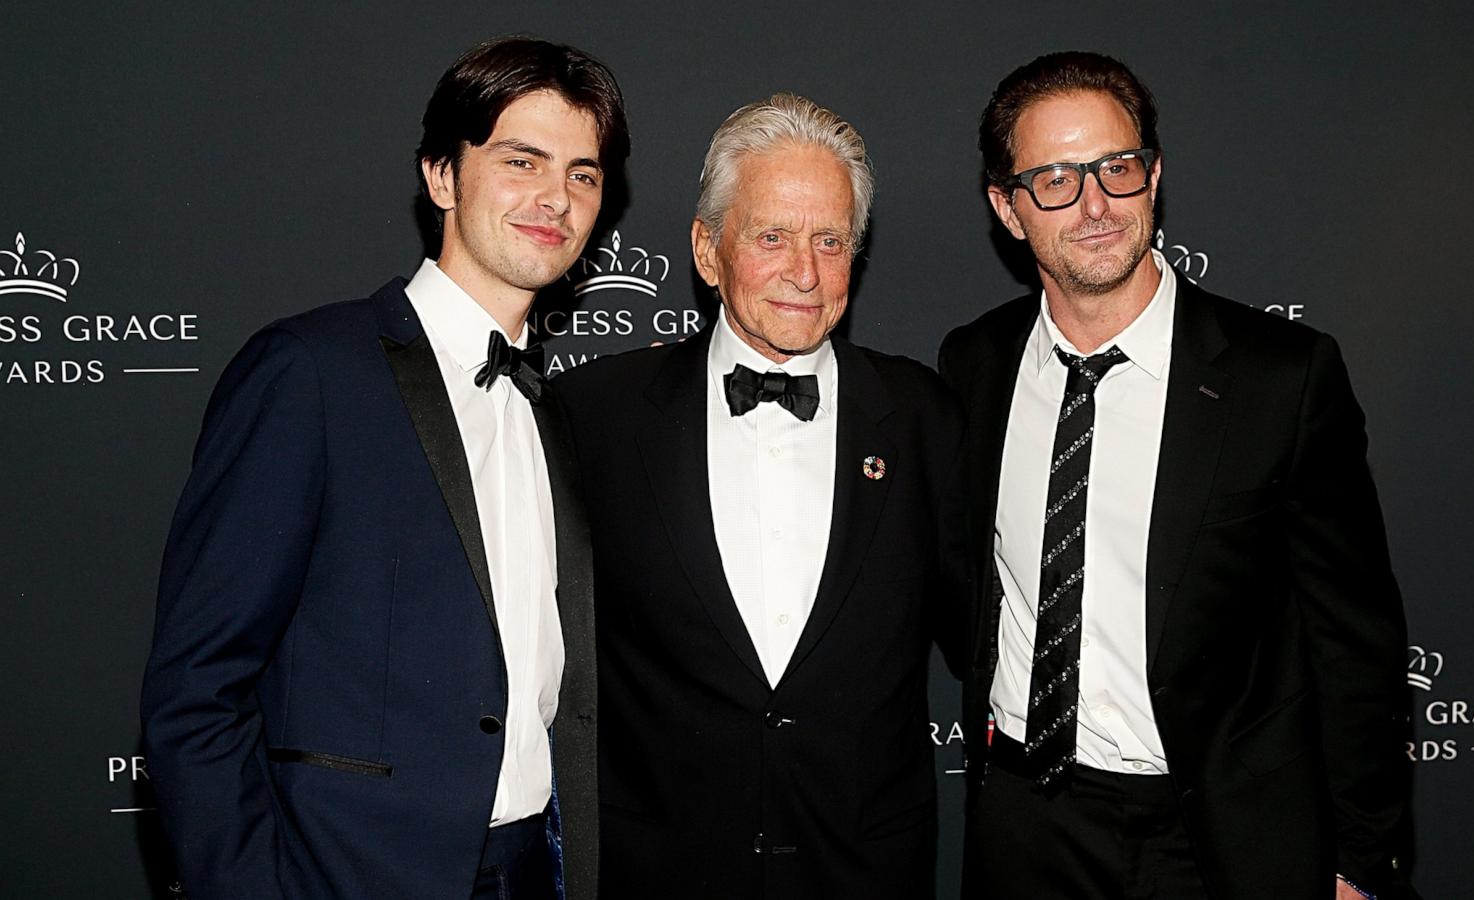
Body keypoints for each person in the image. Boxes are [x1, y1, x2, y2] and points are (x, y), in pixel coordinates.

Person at [140, 36, 628, 900]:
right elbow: (197, 689)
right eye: (523, 160)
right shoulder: (310, 371)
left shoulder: (556, 414)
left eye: (583, 174)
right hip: (351, 873)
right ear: (442, 175)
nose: (556, 197)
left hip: (534, 870)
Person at [940, 51, 1416, 900]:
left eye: (1115, 168)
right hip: (1022, 815)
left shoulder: (1281, 379)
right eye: (1053, 178)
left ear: (1153, 178)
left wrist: (1360, 859)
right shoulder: (975, 365)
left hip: (1213, 836)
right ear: (1006, 210)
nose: (1094, 204)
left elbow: (1354, 643)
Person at [556, 93, 964, 900]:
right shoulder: (591, 417)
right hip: (660, 873)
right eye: (771, 237)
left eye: (830, 241)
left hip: (864, 873)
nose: (804, 273)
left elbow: (990, 640)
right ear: (708, 251)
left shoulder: (926, 418)